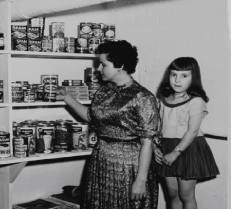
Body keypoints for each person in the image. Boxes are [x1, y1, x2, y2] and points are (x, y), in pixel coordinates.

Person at [57, 40, 160, 209]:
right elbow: (91, 116)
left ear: (119, 65)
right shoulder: (104, 91)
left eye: (103, 64)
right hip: (101, 160)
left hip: (128, 167)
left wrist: (141, 180)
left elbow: (147, 142)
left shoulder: (142, 97)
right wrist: (67, 98)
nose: (98, 69)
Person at [153, 57, 220, 209]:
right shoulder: (164, 98)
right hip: (167, 146)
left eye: (184, 75)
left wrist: (176, 153)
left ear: (193, 77)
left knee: (186, 195)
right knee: (172, 192)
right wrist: (154, 146)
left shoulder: (195, 101)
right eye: (173, 74)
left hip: (187, 148)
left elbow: (193, 130)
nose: (177, 80)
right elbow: (157, 126)